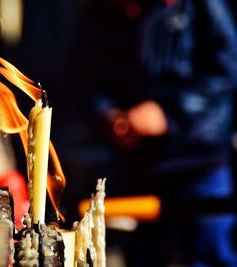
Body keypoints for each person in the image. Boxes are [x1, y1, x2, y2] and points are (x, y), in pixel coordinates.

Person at [65, 0, 237, 266]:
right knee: (144, 256)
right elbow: (82, 77)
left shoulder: (204, 7)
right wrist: (108, 117)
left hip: (201, 163)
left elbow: (226, 72)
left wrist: (169, 114)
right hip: (139, 164)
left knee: (211, 253)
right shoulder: (102, 12)